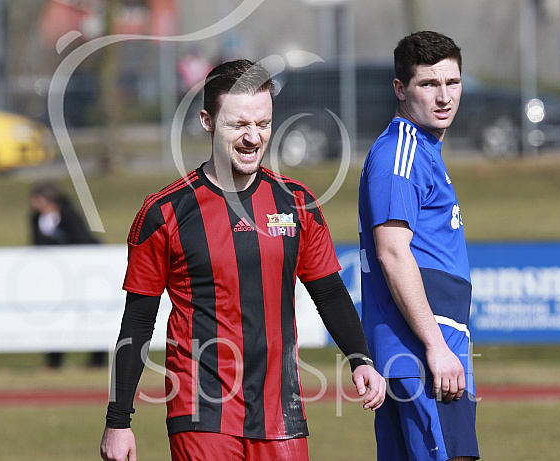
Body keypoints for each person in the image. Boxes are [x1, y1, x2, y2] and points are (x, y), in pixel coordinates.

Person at [100, 59, 386, 461]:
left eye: (263, 124)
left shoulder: (297, 204)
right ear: (207, 121)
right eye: (239, 125)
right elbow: (139, 320)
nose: (253, 137)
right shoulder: (164, 213)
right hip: (202, 413)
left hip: (281, 413)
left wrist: (361, 359)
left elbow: (330, 293)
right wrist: (119, 420)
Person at [358, 31, 480, 461]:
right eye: (428, 84)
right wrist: (436, 346)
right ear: (400, 89)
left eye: (452, 82)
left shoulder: (424, 149)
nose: (443, 96)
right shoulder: (401, 152)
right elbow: (393, 252)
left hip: (427, 344)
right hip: (422, 347)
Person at [29, 181, 107, 369]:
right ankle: (54, 361)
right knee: (54, 316)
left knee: (90, 314)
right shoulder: (35, 218)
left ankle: (97, 360)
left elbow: (81, 240)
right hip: (55, 276)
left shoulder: (69, 215)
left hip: (83, 272)